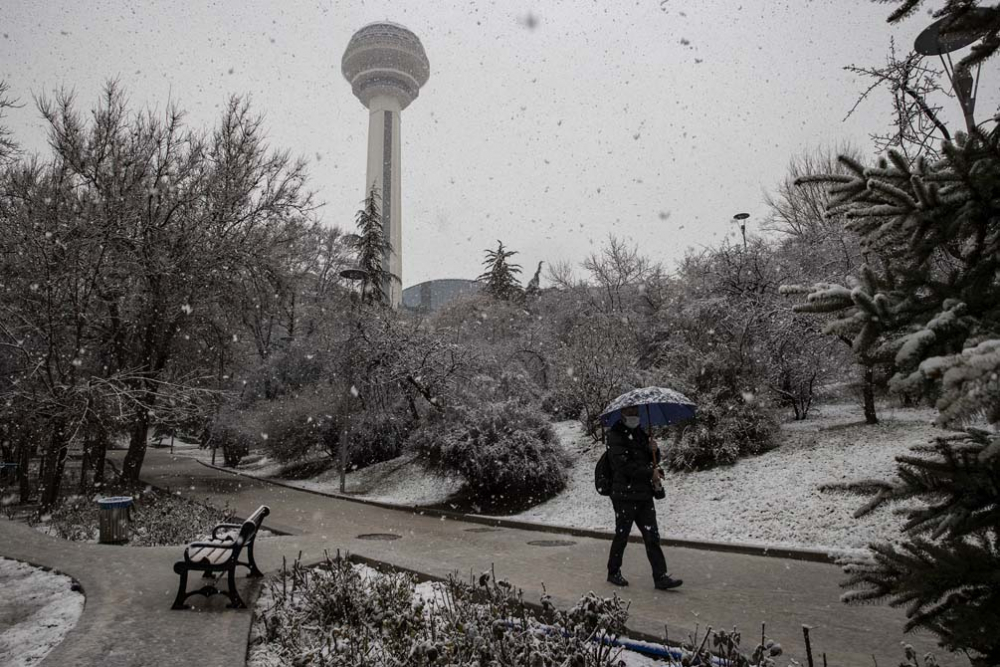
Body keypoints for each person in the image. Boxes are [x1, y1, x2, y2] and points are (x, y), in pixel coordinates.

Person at [606, 405, 683, 590]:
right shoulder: (615, 436)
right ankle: (613, 571)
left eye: (636, 413)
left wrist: (654, 450)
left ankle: (660, 576)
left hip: (644, 495)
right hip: (624, 495)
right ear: (622, 414)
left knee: (652, 536)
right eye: (630, 413)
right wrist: (650, 473)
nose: (634, 416)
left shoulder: (641, 433)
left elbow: (650, 460)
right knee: (622, 535)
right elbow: (624, 466)